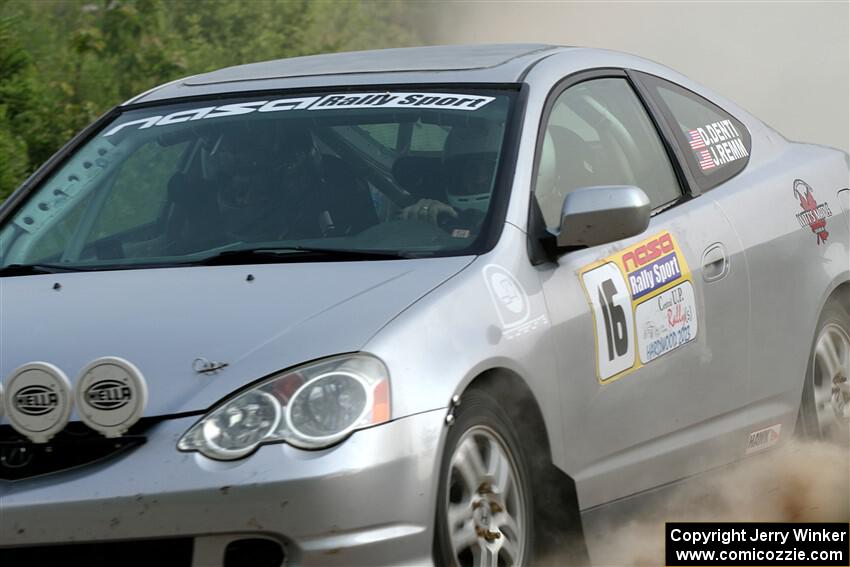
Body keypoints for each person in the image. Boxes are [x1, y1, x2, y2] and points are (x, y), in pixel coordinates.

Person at [399, 121, 502, 234]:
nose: (479, 179)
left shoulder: (521, 212)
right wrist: (422, 217)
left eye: (489, 169)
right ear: (452, 174)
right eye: (470, 170)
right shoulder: (439, 216)